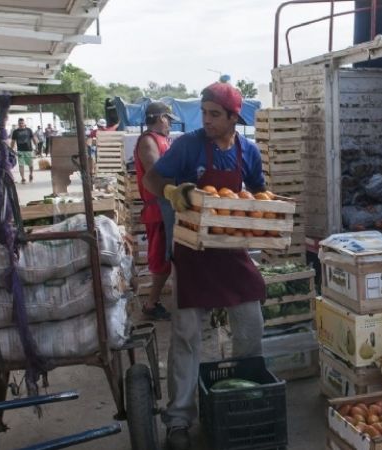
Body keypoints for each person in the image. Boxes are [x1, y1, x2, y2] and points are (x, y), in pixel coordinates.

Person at [142, 83, 266, 450]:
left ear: (233, 118)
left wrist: (267, 210)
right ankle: (179, 419)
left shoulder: (248, 151)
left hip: (231, 252)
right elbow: (151, 178)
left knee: (250, 322)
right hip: (192, 251)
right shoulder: (188, 145)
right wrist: (169, 191)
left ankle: (243, 397)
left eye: (215, 114)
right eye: (204, 112)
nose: (206, 120)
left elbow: (258, 192)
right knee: (185, 334)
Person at [134, 102, 179, 321]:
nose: (169, 124)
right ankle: (151, 304)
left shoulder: (162, 140)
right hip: (159, 208)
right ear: (161, 118)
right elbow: (156, 173)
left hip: (169, 205)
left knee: (169, 257)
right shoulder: (148, 141)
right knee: (162, 260)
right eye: (168, 120)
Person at [9, 118, 38, 183]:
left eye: (22, 123)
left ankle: (31, 174)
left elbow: (33, 138)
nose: (21, 124)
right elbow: (13, 141)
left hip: (29, 150)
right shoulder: (15, 132)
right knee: (21, 165)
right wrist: (11, 149)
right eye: (19, 123)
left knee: (30, 164)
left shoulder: (29, 130)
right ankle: (23, 178)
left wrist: (36, 146)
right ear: (18, 124)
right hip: (20, 151)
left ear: (24, 123)